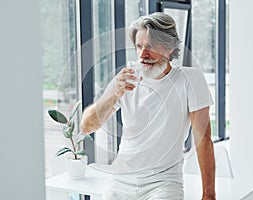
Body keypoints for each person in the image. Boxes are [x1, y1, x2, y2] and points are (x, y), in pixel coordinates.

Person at [80, 12, 216, 200]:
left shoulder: (189, 80)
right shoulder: (125, 79)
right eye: (138, 46)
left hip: (163, 184)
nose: (143, 54)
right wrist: (113, 94)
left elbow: (204, 140)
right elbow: (87, 126)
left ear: (169, 48)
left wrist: (208, 195)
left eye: (150, 47)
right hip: (121, 181)